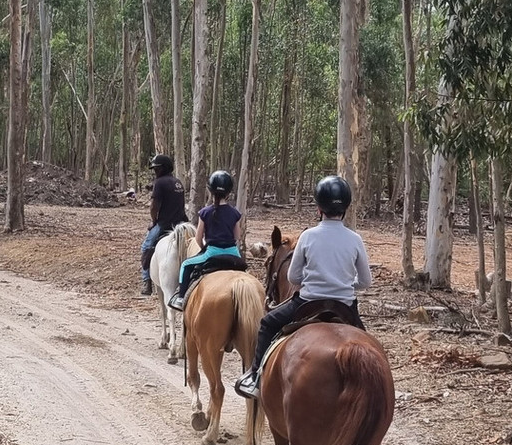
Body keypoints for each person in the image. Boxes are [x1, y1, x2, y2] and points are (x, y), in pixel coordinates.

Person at [233, 175, 371, 400]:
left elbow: (295, 276)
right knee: (369, 346)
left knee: (267, 323)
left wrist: (314, 279)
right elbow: (365, 281)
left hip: (307, 303)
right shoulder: (355, 239)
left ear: (318, 208)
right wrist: (345, 284)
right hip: (345, 306)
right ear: (346, 207)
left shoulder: (308, 236)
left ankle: (255, 377)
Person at [168, 170, 245, 311]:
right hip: (233, 253)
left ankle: (180, 298)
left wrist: (204, 247)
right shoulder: (235, 213)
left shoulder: (205, 212)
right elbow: (237, 237)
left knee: (185, 265)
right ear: (229, 193)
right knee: (245, 274)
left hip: (212, 253)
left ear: (210, 191)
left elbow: (198, 238)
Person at [139, 154, 188, 296]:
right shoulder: (178, 182)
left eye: (156, 168)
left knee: (146, 246)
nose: (155, 171)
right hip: (182, 221)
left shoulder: (159, 183)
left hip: (165, 223)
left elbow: (154, 206)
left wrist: (154, 221)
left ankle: (146, 282)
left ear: (163, 168)